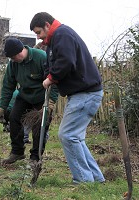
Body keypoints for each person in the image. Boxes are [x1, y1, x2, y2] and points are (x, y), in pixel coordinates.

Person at [30, 12, 105, 184]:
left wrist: (50, 79)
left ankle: (84, 180)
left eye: (39, 32)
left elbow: (66, 61)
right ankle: (95, 178)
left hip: (86, 93)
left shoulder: (63, 34)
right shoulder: (53, 41)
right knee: (76, 137)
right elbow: (50, 64)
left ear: (48, 25)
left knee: (67, 135)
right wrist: (47, 74)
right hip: (82, 94)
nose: (39, 37)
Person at [0, 37, 58, 166]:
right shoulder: (13, 64)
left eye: (13, 57)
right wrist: (2, 107)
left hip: (42, 97)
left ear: (19, 52)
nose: (12, 61)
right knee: (13, 118)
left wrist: (51, 101)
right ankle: (17, 152)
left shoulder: (40, 57)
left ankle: (35, 157)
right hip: (24, 95)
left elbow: (55, 79)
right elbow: (8, 86)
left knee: (39, 125)